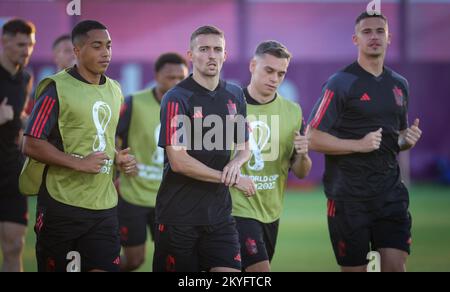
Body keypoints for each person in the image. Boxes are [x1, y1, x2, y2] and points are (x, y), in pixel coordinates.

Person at [308, 12, 422, 272]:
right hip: (348, 198)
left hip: (390, 194)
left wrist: (407, 139)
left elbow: (397, 139)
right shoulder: (341, 82)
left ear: (389, 38)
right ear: (355, 39)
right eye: (367, 32)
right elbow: (312, 137)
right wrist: (358, 145)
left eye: (380, 31)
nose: (374, 37)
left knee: (394, 266)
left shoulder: (399, 84)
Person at [20, 20, 137, 272]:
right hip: (62, 204)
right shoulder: (56, 88)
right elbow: (31, 143)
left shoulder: (115, 89)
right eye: (96, 46)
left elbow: (98, 137)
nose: (105, 52)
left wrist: (117, 157)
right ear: (77, 51)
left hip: (104, 206)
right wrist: (79, 164)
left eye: (108, 46)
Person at [152, 25, 256, 272]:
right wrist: (229, 179)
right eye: (204, 49)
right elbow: (178, 161)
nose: (211, 55)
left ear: (225, 55)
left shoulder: (235, 95)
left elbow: (244, 146)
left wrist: (236, 163)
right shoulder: (177, 98)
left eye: (217, 49)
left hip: (220, 216)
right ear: (191, 55)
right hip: (179, 217)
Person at [231, 40, 312, 272]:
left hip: (270, 210)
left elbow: (301, 171)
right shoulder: (230, 105)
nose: (275, 78)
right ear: (252, 65)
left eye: (281, 73)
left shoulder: (293, 111)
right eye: (269, 70)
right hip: (235, 208)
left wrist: (303, 155)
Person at [116, 52, 188, 272]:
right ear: (157, 76)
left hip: (169, 199)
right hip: (133, 196)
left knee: (172, 262)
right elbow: (113, 140)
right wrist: (119, 161)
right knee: (134, 260)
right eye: (170, 77)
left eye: (181, 78)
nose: (176, 82)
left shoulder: (190, 107)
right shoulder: (133, 102)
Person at [0, 18, 36, 272]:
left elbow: (19, 113)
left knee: (14, 244)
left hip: (12, 169)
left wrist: (24, 122)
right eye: (22, 44)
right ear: (5, 41)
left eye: (31, 45)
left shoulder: (25, 77)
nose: (27, 51)